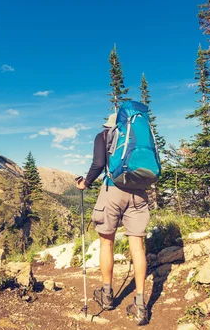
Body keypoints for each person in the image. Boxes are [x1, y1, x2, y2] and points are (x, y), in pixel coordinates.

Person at [76, 113, 150, 326]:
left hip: (113, 190)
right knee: (137, 247)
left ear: (110, 125)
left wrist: (86, 182)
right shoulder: (138, 136)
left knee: (106, 242)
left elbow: (98, 163)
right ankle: (140, 305)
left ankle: (107, 295)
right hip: (139, 193)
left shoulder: (103, 135)